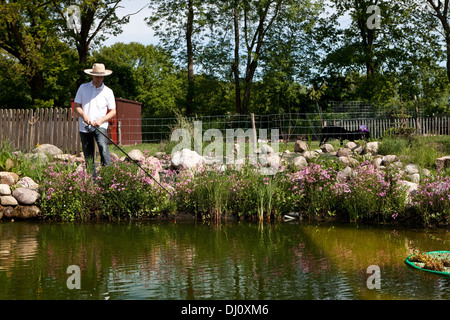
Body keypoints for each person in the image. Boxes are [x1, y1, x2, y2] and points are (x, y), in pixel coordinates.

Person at [74, 63, 116, 176]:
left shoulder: (108, 91)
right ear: (92, 75)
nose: (99, 79)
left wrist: (101, 120)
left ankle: (108, 175)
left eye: (101, 76)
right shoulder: (83, 88)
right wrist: (84, 116)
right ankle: (92, 180)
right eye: (97, 76)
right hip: (85, 126)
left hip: (100, 125)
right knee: (89, 154)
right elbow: (77, 106)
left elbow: (113, 111)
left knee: (102, 146)